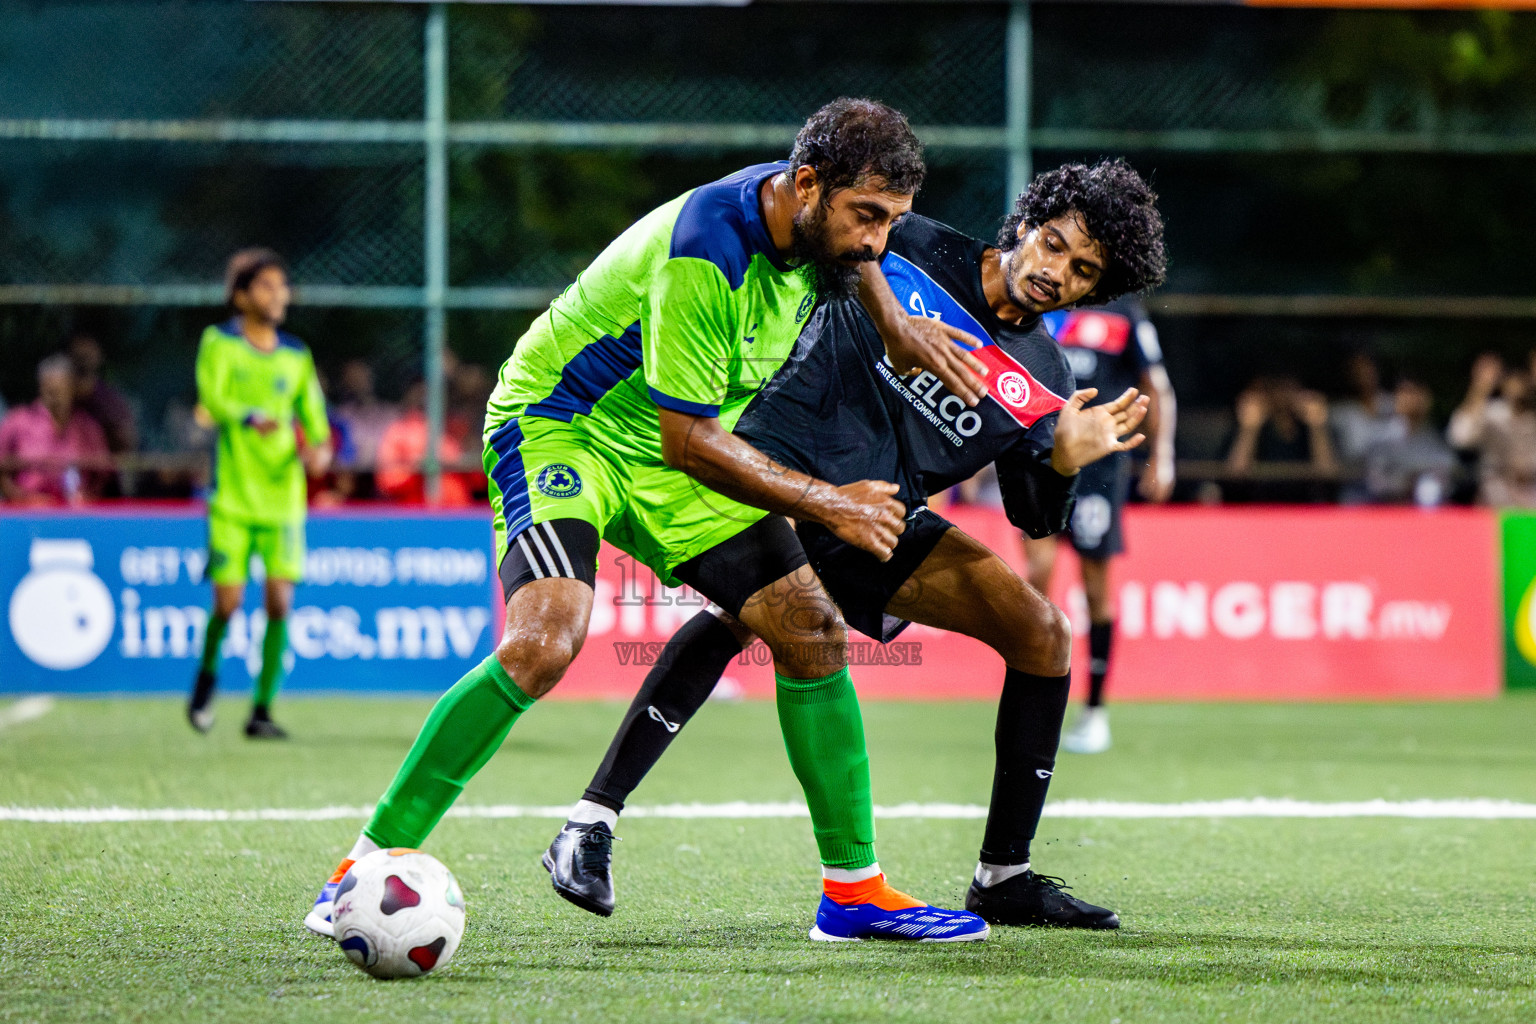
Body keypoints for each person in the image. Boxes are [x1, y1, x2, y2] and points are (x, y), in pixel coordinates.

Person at [303, 98, 996, 944]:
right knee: (545, 640)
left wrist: (892, 324)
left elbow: (851, 265)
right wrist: (828, 501)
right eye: (866, 216)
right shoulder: (709, 247)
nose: (876, 241)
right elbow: (691, 442)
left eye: (892, 221)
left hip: (670, 448)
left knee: (810, 629)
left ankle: (853, 893)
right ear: (806, 184)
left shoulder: (815, 229)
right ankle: (360, 868)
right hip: (567, 424)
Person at [542, 159, 1166, 932]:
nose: (1055, 272)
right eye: (1053, 243)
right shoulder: (911, 243)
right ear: (1025, 225)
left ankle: (1003, 875)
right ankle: (592, 821)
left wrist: (1063, 460)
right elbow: (823, 241)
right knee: (753, 617)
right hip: (780, 467)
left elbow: (1033, 516)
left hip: (882, 520)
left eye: (1082, 271)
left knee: (1042, 634)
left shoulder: (1043, 372)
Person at [185, 249, 333, 739]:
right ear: (241, 295)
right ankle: (207, 676)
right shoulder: (219, 342)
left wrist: (319, 451)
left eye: (282, 286)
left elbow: (315, 421)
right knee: (227, 604)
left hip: (283, 500)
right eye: (266, 287)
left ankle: (262, 710)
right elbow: (212, 398)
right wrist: (249, 415)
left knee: (278, 603)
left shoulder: (296, 354)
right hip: (231, 498)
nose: (278, 295)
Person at [1023, 296, 1176, 755]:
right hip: (1038, 457)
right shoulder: (1042, 300)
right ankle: (1035, 704)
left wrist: (1162, 456)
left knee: (1095, 590)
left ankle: (1094, 711)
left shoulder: (1125, 314)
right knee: (1035, 582)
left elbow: (1158, 385)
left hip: (1099, 467)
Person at [0, 354, 113, 505]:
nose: (56, 397)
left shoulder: (87, 427)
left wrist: (87, 499)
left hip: (75, 514)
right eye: (51, 390)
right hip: (27, 515)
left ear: (71, 388)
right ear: (41, 387)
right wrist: (22, 499)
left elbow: (103, 473)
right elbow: (2, 470)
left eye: (61, 390)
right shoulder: (18, 421)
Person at [1224, 375, 1336, 502]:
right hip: (1257, 509)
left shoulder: (1309, 428)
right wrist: (1249, 430)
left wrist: (1317, 427)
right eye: (1277, 386)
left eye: (1290, 387)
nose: (1284, 393)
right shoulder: (1252, 425)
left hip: (1305, 509)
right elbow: (1234, 477)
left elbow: (1328, 477)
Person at [1448, 353, 1536, 508]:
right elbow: (1461, 437)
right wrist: (1480, 387)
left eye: (1523, 379)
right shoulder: (1492, 413)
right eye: (1513, 381)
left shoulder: (1532, 418)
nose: (1518, 387)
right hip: (1495, 495)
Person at [374, 380, 479, 506]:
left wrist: (463, 463)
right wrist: (416, 468)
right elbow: (387, 480)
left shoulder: (455, 429)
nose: (424, 398)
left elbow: (480, 479)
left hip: (459, 512)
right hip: (417, 514)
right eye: (419, 393)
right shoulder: (398, 432)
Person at [1361, 377, 1457, 506]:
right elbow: (1375, 483)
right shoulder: (1380, 436)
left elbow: (1450, 471)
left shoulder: (1438, 435)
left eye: (1417, 393)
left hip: (1432, 511)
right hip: (1389, 509)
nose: (1412, 399)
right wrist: (1408, 481)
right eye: (1406, 393)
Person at [1331, 351, 1398, 503]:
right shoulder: (1341, 413)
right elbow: (1351, 452)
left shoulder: (1393, 405)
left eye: (1367, 368)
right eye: (1357, 371)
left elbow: (1402, 446)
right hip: (1356, 491)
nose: (1363, 375)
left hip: (1395, 489)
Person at [65, 331, 139, 455]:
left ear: (100, 355)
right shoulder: (59, 394)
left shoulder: (110, 399)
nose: (84, 352)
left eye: (90, 346)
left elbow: (127, 442)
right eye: (80, 344)